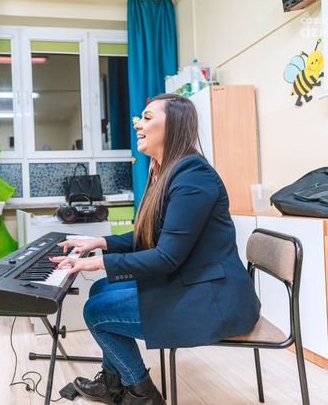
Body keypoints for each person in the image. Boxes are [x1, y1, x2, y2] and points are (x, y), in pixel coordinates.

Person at [51, 94, 261, 405]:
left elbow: (166, 257)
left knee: (95, 311)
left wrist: (97, 263)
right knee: (99, 290)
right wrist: (100, 243)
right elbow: (151, 236)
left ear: (173, 125)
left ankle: (141, 393)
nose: (138, 124)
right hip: (190, 282)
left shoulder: (193, 176)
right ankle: (112, 382)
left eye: (148, 118)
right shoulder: (167, 171)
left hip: (212, 299)